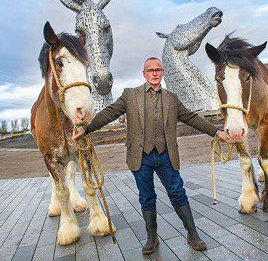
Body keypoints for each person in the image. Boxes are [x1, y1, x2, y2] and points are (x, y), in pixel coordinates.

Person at [73, 57, 228, 254]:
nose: (154, 73)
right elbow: (109, 113)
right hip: (141, 156)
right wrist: (86, 129)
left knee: (177, 192)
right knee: (147, 198)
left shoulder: (172, 98)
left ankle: (192, 234)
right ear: (144, 74)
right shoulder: (130, 95)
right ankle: (152, 238)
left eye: (158, 70)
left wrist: (216, 132)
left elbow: (191, 117)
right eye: (150, 70)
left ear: (162, 73)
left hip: (166, 156)